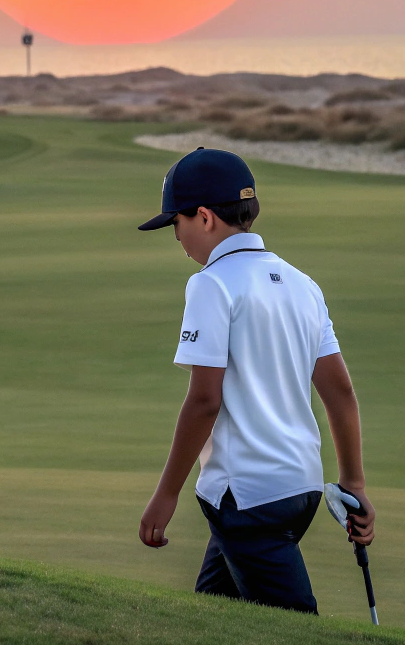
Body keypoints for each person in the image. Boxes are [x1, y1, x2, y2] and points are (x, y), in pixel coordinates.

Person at [136, 147, 374, 614]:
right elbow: (340, 392)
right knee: (216, 615)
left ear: (204, 218)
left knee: (294, 625)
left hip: (245, 498)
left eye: (176, 224)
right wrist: (354, 483)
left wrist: (166, 495)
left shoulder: (211, 283)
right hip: (299, 488)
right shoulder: (303, 284)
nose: (177, 238)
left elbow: (204, 401)